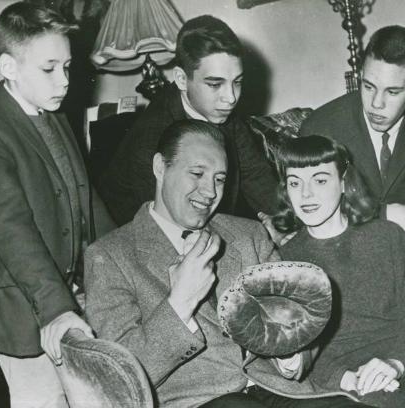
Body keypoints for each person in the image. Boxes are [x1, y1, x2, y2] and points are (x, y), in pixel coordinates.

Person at [85, 120, 373, 407]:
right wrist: (179, 303)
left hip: (281, 392)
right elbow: (121, 381)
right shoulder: (109, 257)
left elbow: (300, 323)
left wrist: (289, 353)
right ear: (160, 167)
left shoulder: (249, 235)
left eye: (219, 179)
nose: (210, 191)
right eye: (197, 173)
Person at [0, 3, 115, 407]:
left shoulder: (54, 116)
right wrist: (57, 310)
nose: (65, 80)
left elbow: (86, 199)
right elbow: (12, 230)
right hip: (20, 306)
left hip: (66, 293)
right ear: (9, 67)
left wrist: (128, 256)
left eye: (68, 67)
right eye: (50, 68)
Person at [271, 135, 405, 407]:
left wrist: (395, 363)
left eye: (320, 180)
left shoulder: (386, 236)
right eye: (295, 182)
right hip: (345, 376)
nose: (305, 194)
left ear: (343, 182)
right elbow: (296, 348)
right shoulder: (285, 261)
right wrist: (344, 378)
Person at [97, 14, 278, 226]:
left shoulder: (219, 110)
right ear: (182, 79)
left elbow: (256, 176)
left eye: (237, 82)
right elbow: (172, 228)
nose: (230, 98)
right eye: (214, 84)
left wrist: (289, 224)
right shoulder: (152, 138)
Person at [300, 25, 405, 245]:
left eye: (392, 92)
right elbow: (309, 208)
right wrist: (386, 214)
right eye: (369, 86)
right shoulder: (321, 127)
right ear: (361, 75)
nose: (376, 104)